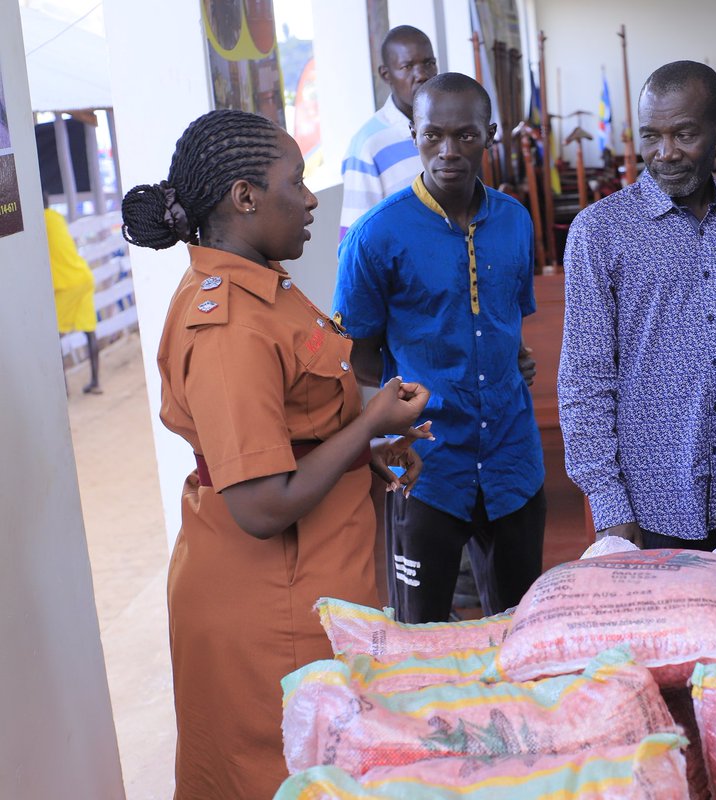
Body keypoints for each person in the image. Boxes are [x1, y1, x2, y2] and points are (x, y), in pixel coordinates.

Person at [121, 109, 430, 799]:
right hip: (272, 614)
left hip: (314, 579)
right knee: (289, 778)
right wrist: (370, 423)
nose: (313, 197)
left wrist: (360, 455)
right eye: (296, 181)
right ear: (245, 197)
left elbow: (297, 424)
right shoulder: (226, 323)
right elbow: (261, 504)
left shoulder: (266, 282)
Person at [559, 61, 716, 578]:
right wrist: (611, 508)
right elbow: (584, 381)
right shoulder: (601, 233)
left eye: (684, 134)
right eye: (651, 136)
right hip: (650, 514)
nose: (666, 153)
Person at [334, 73, 546, 623]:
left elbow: (507, 322)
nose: (448, 152)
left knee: (522, 629)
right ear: (413, 132)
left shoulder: (515, 222)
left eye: (465, 136)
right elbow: (357, 355)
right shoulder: (376, 235)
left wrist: (509, 362)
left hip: (512, 458)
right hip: (428, 466)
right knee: (420, 633)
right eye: (432, 136)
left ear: (490, 134)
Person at [340, 24, 437, 237]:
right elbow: (355, 240)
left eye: (429, 63)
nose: (422, 75)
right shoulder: (368, 145)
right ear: (386, 75)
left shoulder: (448, 129)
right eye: (407, 66)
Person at [44, 196, 100, 394]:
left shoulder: (39, 222)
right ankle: (95, 382)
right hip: (83, 277)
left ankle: (63, 390)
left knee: (53, 336)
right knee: (89, 330)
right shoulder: (56, 217)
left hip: (67, 284)